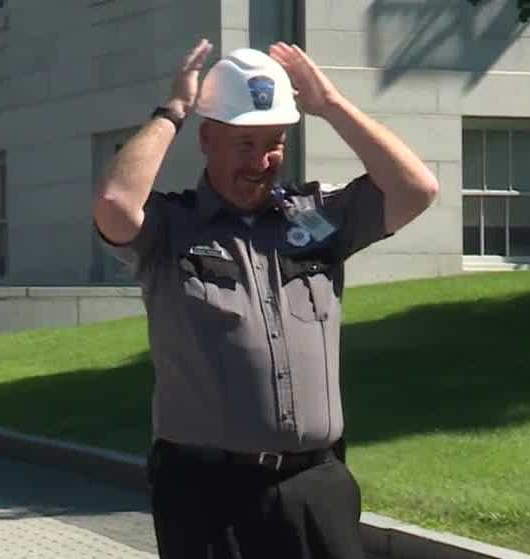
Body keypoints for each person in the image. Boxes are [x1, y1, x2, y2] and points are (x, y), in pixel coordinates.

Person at [92, 38, 439, 559]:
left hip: (315, 485)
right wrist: (174, 110)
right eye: (245, 145)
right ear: (208, 139)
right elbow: (116, 204)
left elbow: (416, 189)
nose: (263, 160)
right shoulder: (173, 226)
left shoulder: (314, 218)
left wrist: (330, 106)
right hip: (206, 495)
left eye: (274, 142)